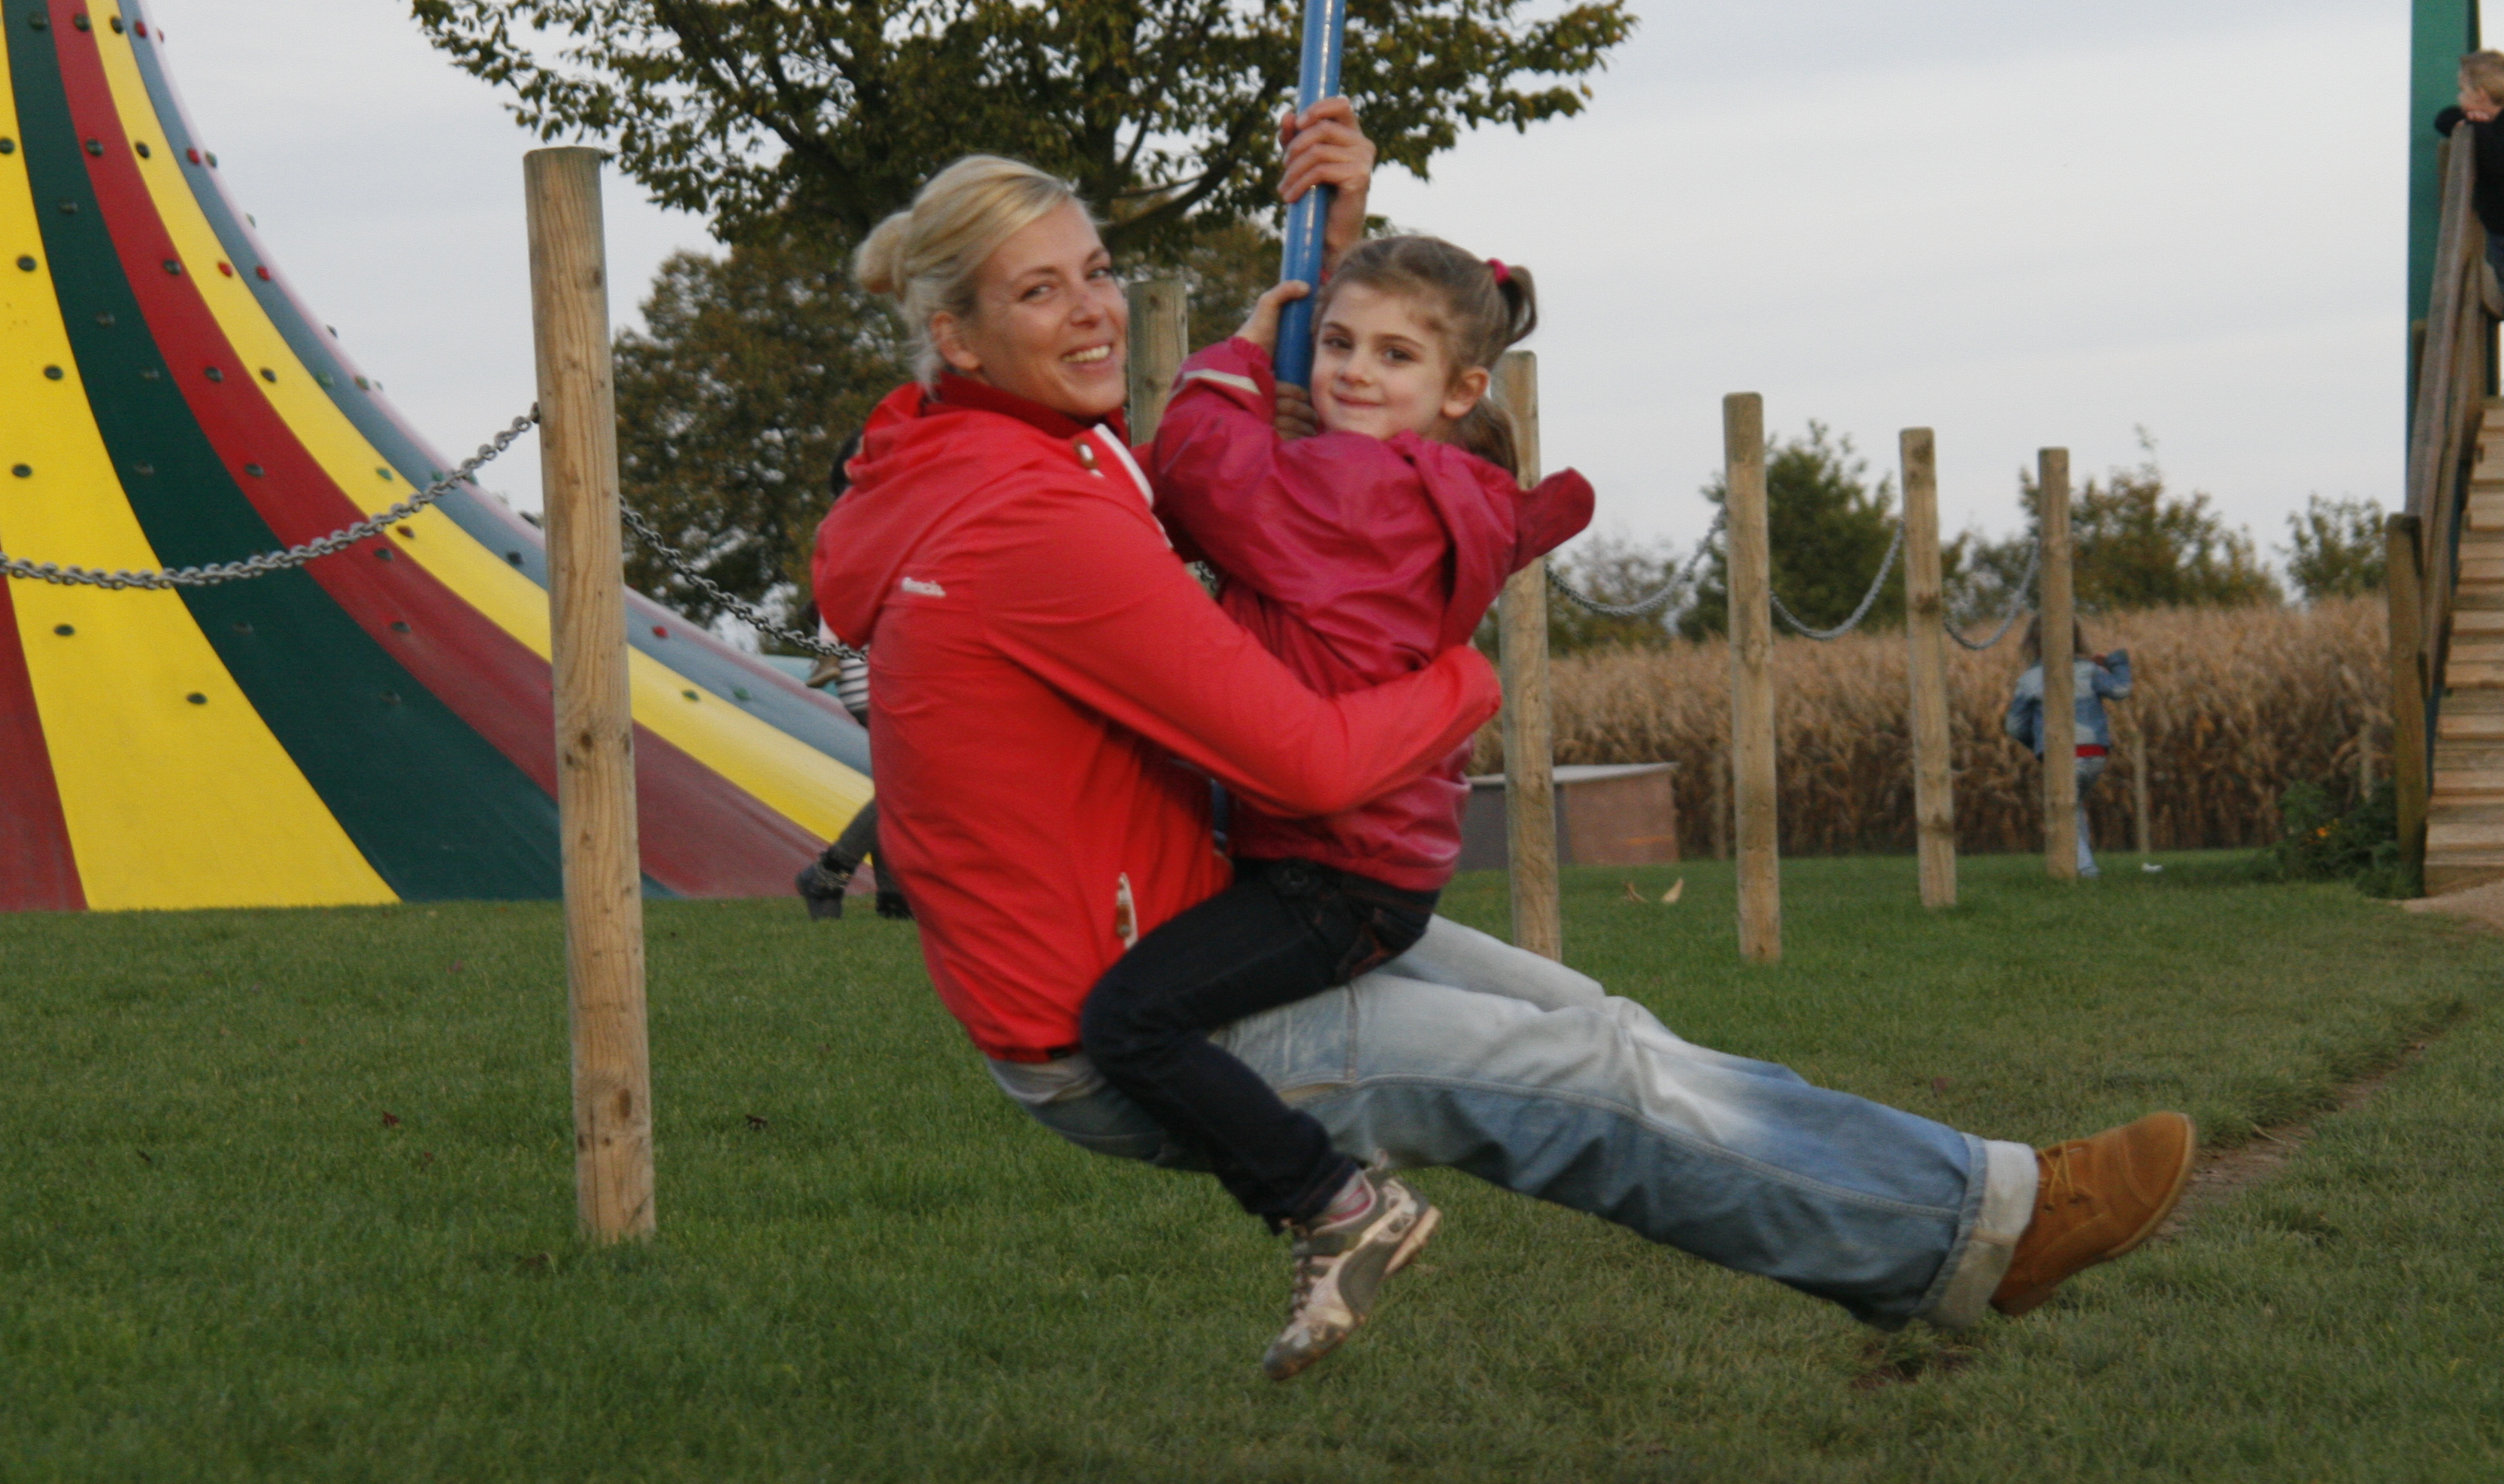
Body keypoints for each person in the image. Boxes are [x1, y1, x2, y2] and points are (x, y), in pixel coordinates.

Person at [809, 120, 2196, 1383]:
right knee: (1588, 1088)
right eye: (1038, 290)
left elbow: (1264, 486)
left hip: (1204, 910)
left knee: (1598, 1026)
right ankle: (1989, 1223)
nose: (1094, 307)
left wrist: (1331, 256)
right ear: (957, 336)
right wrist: (1457, 681)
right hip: (1130, 1021)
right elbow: (1299, 753)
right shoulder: (1023, 518)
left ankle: (1954, 1209)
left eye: (1094, 268)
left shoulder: (1012, 457)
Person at [1074, 236, 1593, 1376]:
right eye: (1339, 343)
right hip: (1355, 861)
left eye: (1393, 356)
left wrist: (1245, 358)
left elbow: (1202, 476)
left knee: (1127, 1022)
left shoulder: (1360, 492)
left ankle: (1332, 1201)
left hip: (1332, 876)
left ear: (1459, 393)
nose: (1354, 371)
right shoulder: (1427, 486)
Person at [796, 432, 910, 922]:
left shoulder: (853, 514)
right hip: (878, 662)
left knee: (898, 778)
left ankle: (893, 894)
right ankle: (828, 872)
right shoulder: (867, 512)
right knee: (909, 785)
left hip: (864, 663)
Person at [2004, 614, 2134, 880]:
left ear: (2031, 642)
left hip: (2060, 755)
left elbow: (2014, 726)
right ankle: (2081, 865)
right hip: (2095, 754)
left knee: (2064, 812)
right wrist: (2115, 661)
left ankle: (2086, 870)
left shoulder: (2029, 679)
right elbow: (2121, 689)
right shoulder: (2089, 671)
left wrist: (2039, 744)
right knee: (2074, 806)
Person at [2433, 49, 2504, 286]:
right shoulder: (2486, 122)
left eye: (2463, 90)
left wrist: (2478, 128)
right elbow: (2443, 119)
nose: (2460, 97)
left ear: (2481, 95)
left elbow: (2495, 164)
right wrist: (2469, 122)